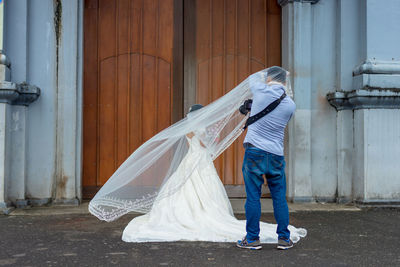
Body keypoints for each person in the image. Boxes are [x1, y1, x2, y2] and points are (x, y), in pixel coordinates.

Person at [121, 104, 306, 244]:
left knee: (185, 187)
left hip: (192, 160)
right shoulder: (199, 128)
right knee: (203, 189)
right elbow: (204, 145)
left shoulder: (189, 129)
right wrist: (212, 137)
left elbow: (191, 145)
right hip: (201, 161)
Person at [237, 66, 296, 250]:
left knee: (253, 197)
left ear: (269, 79)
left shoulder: (261, 91)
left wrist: (267, 74)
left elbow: (252, 77)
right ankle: (284, 239)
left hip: (255, 151)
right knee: (279, 197)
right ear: (285, 83)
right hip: (276, 154)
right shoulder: (290, 104)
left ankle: (253, 239)